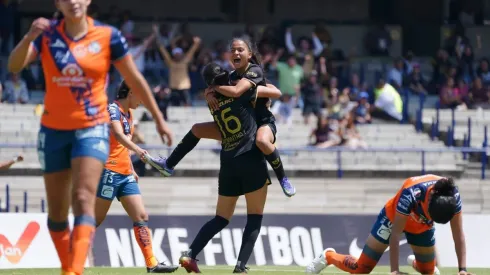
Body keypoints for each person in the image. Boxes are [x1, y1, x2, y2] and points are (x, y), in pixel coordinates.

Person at [7, 1, 172, 274]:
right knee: (59, 212)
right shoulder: (47, 36)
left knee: (84, 198)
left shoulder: (108, 36)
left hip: (91, 128)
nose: (73, 1)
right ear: (57, 3)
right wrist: (29, 37)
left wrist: (159, 118)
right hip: (54, 130)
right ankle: (67, 266)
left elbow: (135, 77)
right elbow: (14, 66)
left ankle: (75, 271)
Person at [148, 37, 296, 198]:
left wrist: (238, 91)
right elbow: (227, 89)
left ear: (249, 54)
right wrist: (209, 91)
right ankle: (168, 165)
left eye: (240, 50)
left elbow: (274, 92)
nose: (236, 53)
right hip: (241, 125)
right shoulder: (230, 77)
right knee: (197, 129)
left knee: (261, 141)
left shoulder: (254, 71)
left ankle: (283, 178)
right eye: (233, 50)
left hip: (262, 122)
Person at [176, 53, 272, 273]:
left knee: (220, 218)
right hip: (249, 157)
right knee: (255, 216)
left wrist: (210, 90)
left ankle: (190, 253)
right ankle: (240, 266)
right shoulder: (242, 92)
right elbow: (275, 92)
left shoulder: (212, 100)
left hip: (228, 161)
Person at [306, 174, 470, 275]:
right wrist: (394, 270)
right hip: (393, 219)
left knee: (428, 272)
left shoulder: (452, 197)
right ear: (430, 197)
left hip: (422, 226)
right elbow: (396, 234)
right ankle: (328, 257)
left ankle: (416, 263)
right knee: (361, 268)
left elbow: (458, 235)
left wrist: (462, 269)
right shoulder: (411, 192)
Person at [94, 81, 178, 273]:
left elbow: (124, 145)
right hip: (109, 172)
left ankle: (152, 264)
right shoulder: (112, 109)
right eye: (140, 96)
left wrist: (131, 167)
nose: (142, 102)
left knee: (141, 216)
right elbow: (117, 134)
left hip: (125, 175)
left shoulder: (130, 114)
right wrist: (139, 150)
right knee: (95, 220)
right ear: (131, 92)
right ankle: (73, 257)